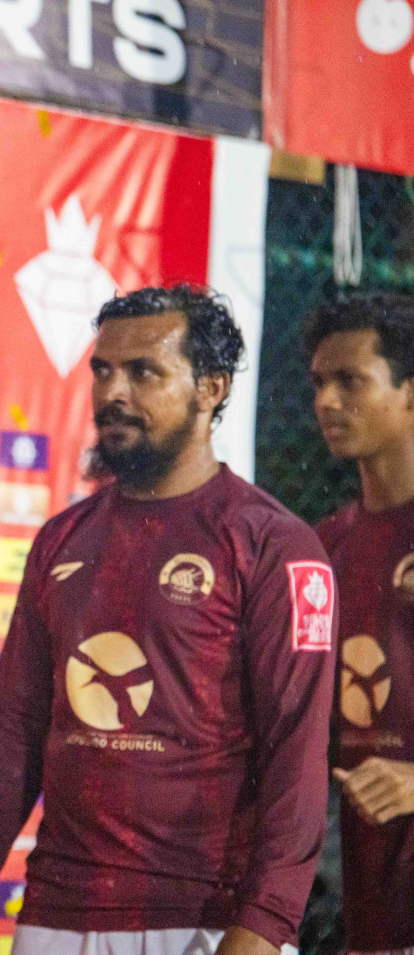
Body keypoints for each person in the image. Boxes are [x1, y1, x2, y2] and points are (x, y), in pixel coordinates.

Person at [0, 286, 337, 955]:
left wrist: (263, 924)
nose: (113, 391)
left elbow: (296, 754)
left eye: (143, 372)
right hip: (55, 914)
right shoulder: (61, 539)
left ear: (210, 388)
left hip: (206, 917)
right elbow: (16, 727)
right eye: (102, 370)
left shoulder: (271, 545)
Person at [308, 293, 414, 955]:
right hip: (363, 919)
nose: (325, 401)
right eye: (319, 382)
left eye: (350, 381)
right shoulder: (319, 549)